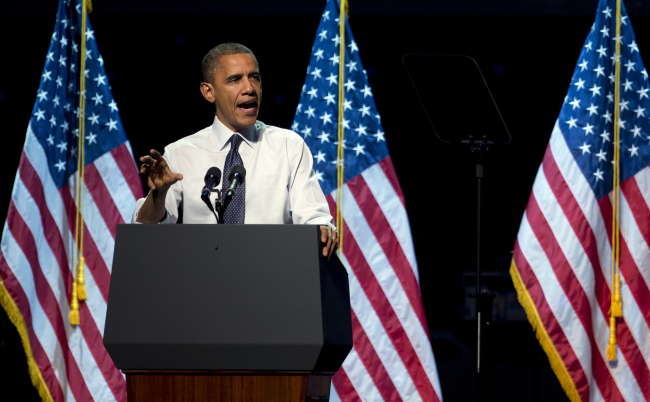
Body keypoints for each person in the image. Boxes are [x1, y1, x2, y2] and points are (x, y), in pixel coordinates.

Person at [132, 43, 338, 259]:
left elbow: (314, 218)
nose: (249, 88)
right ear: (209, 92)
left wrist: (322, 230)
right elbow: (145, 231)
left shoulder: (288, 146)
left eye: (255, 77)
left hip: (273, 278)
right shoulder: (180, 154)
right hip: (201, 282)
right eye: (234, 79)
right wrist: (159, 194)